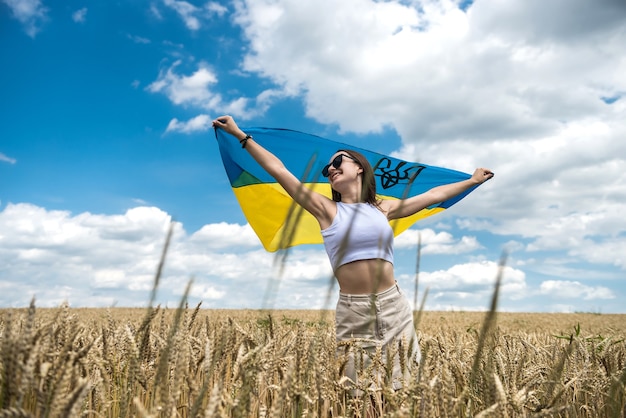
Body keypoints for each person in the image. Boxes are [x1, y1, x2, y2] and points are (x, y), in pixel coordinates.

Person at [212, 115, 494, 397]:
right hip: (354, 311)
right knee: (361, 395)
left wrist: (472, 181)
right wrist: (240, 136)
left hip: (394, 306)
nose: (331, 170)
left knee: (407, 389)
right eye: (326, 169)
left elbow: (434, 194)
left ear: (359, 168)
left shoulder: (383, 209)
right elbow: (279, 170)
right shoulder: (326, 209)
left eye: (337, 163)